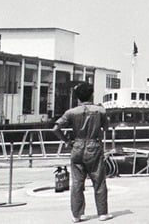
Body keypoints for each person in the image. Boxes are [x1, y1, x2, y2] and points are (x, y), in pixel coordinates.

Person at [52, 82, 112, 222]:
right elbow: (106, 129)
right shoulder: (100, 111)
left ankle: (77, 215)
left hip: (77, 145)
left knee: (77, 183)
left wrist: (67, 141)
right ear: (91, 95)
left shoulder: (71, 112)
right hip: (94, 145)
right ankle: (102, 213)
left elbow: (55, 128)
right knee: (99, 181)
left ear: (77, 97)